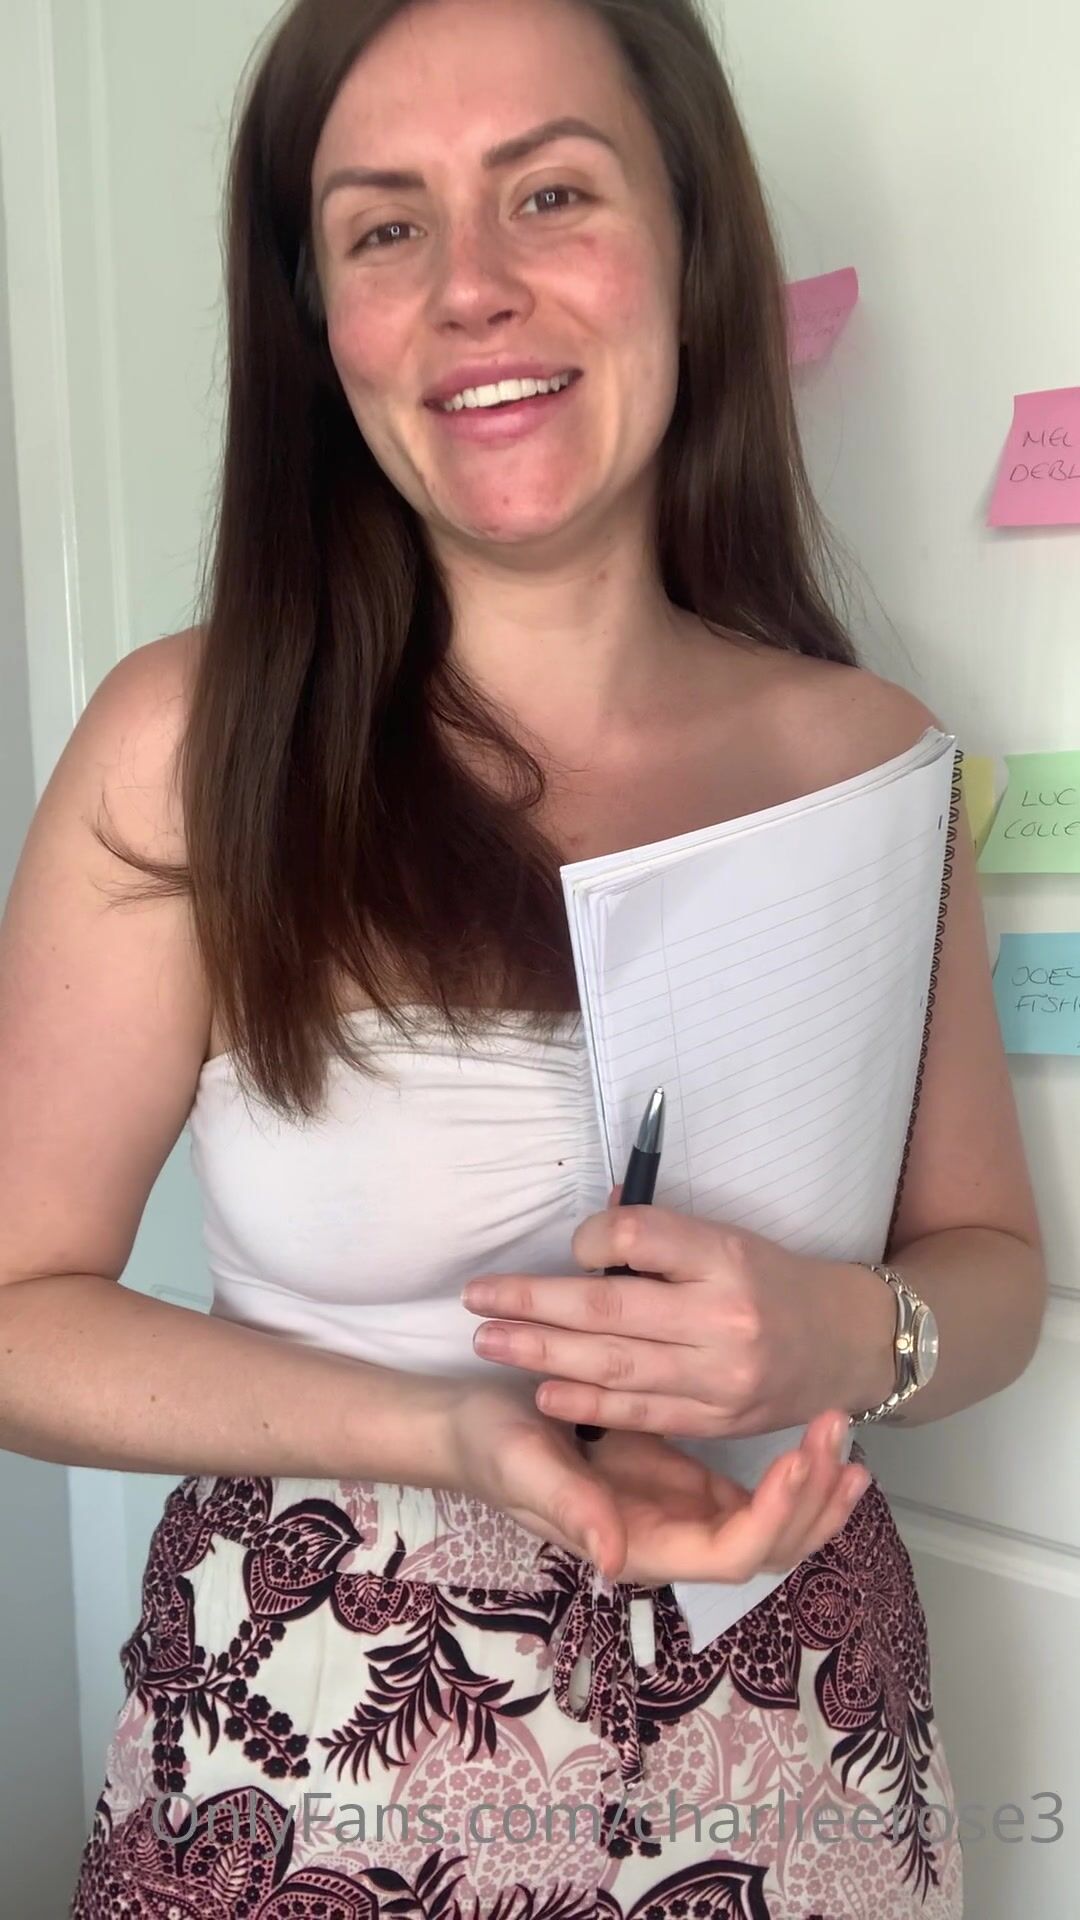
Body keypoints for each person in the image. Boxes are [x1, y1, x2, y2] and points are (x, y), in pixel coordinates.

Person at [0, 0, 1044, 1912]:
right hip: (315, 1761)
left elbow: (991, 1271)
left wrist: (851, 1334)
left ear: (691, 245)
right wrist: (446, 1434)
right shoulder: (191, 747)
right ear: (320, 323)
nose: (471, 285)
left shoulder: (873, 759)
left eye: (551, 192)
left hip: (796, 1746)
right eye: (385, 226)